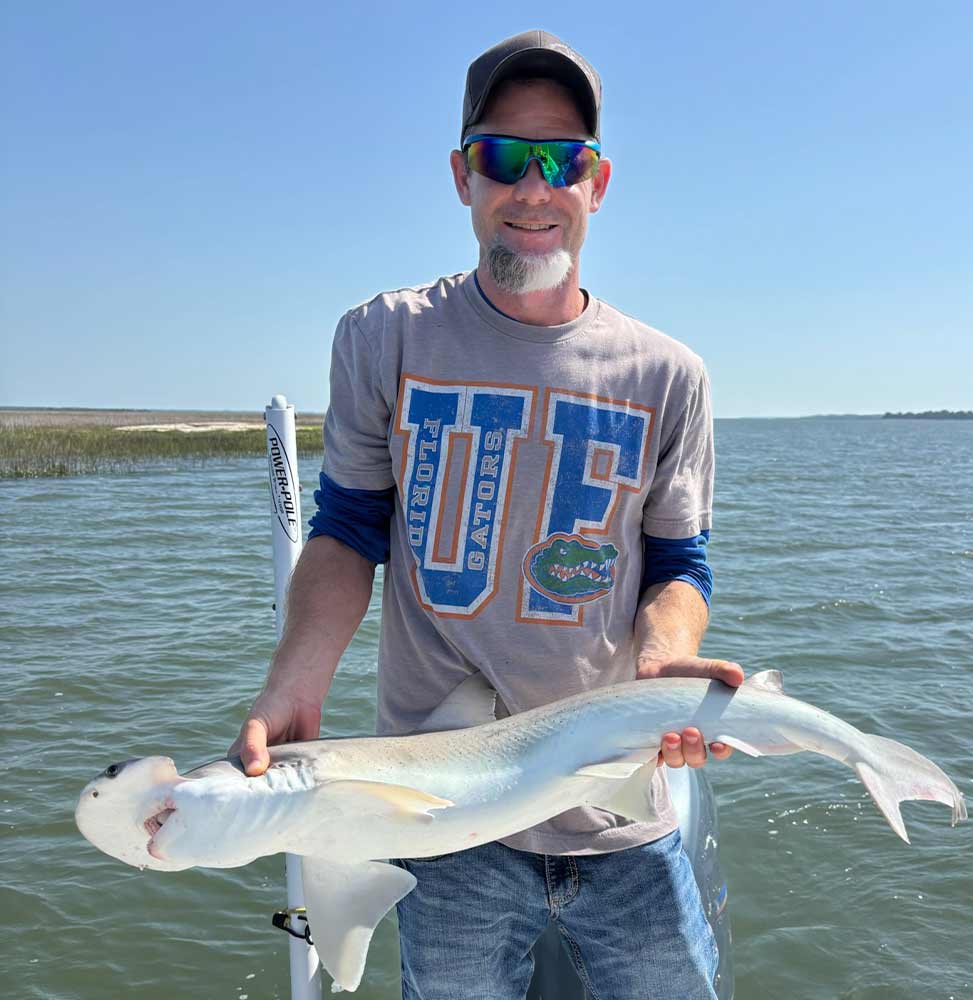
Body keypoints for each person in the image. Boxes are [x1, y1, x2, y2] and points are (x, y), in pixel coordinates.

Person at [232, 29, 743, 1000]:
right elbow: (346, 527)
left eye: (564, 161)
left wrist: (664, 658)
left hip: (620, 796)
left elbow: (680, 562)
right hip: (439, 810)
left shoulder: (669, 375)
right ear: (464, 175)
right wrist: (294, 680)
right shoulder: (384, 337)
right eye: (507, 158)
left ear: (598, 184)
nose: (534, 188)